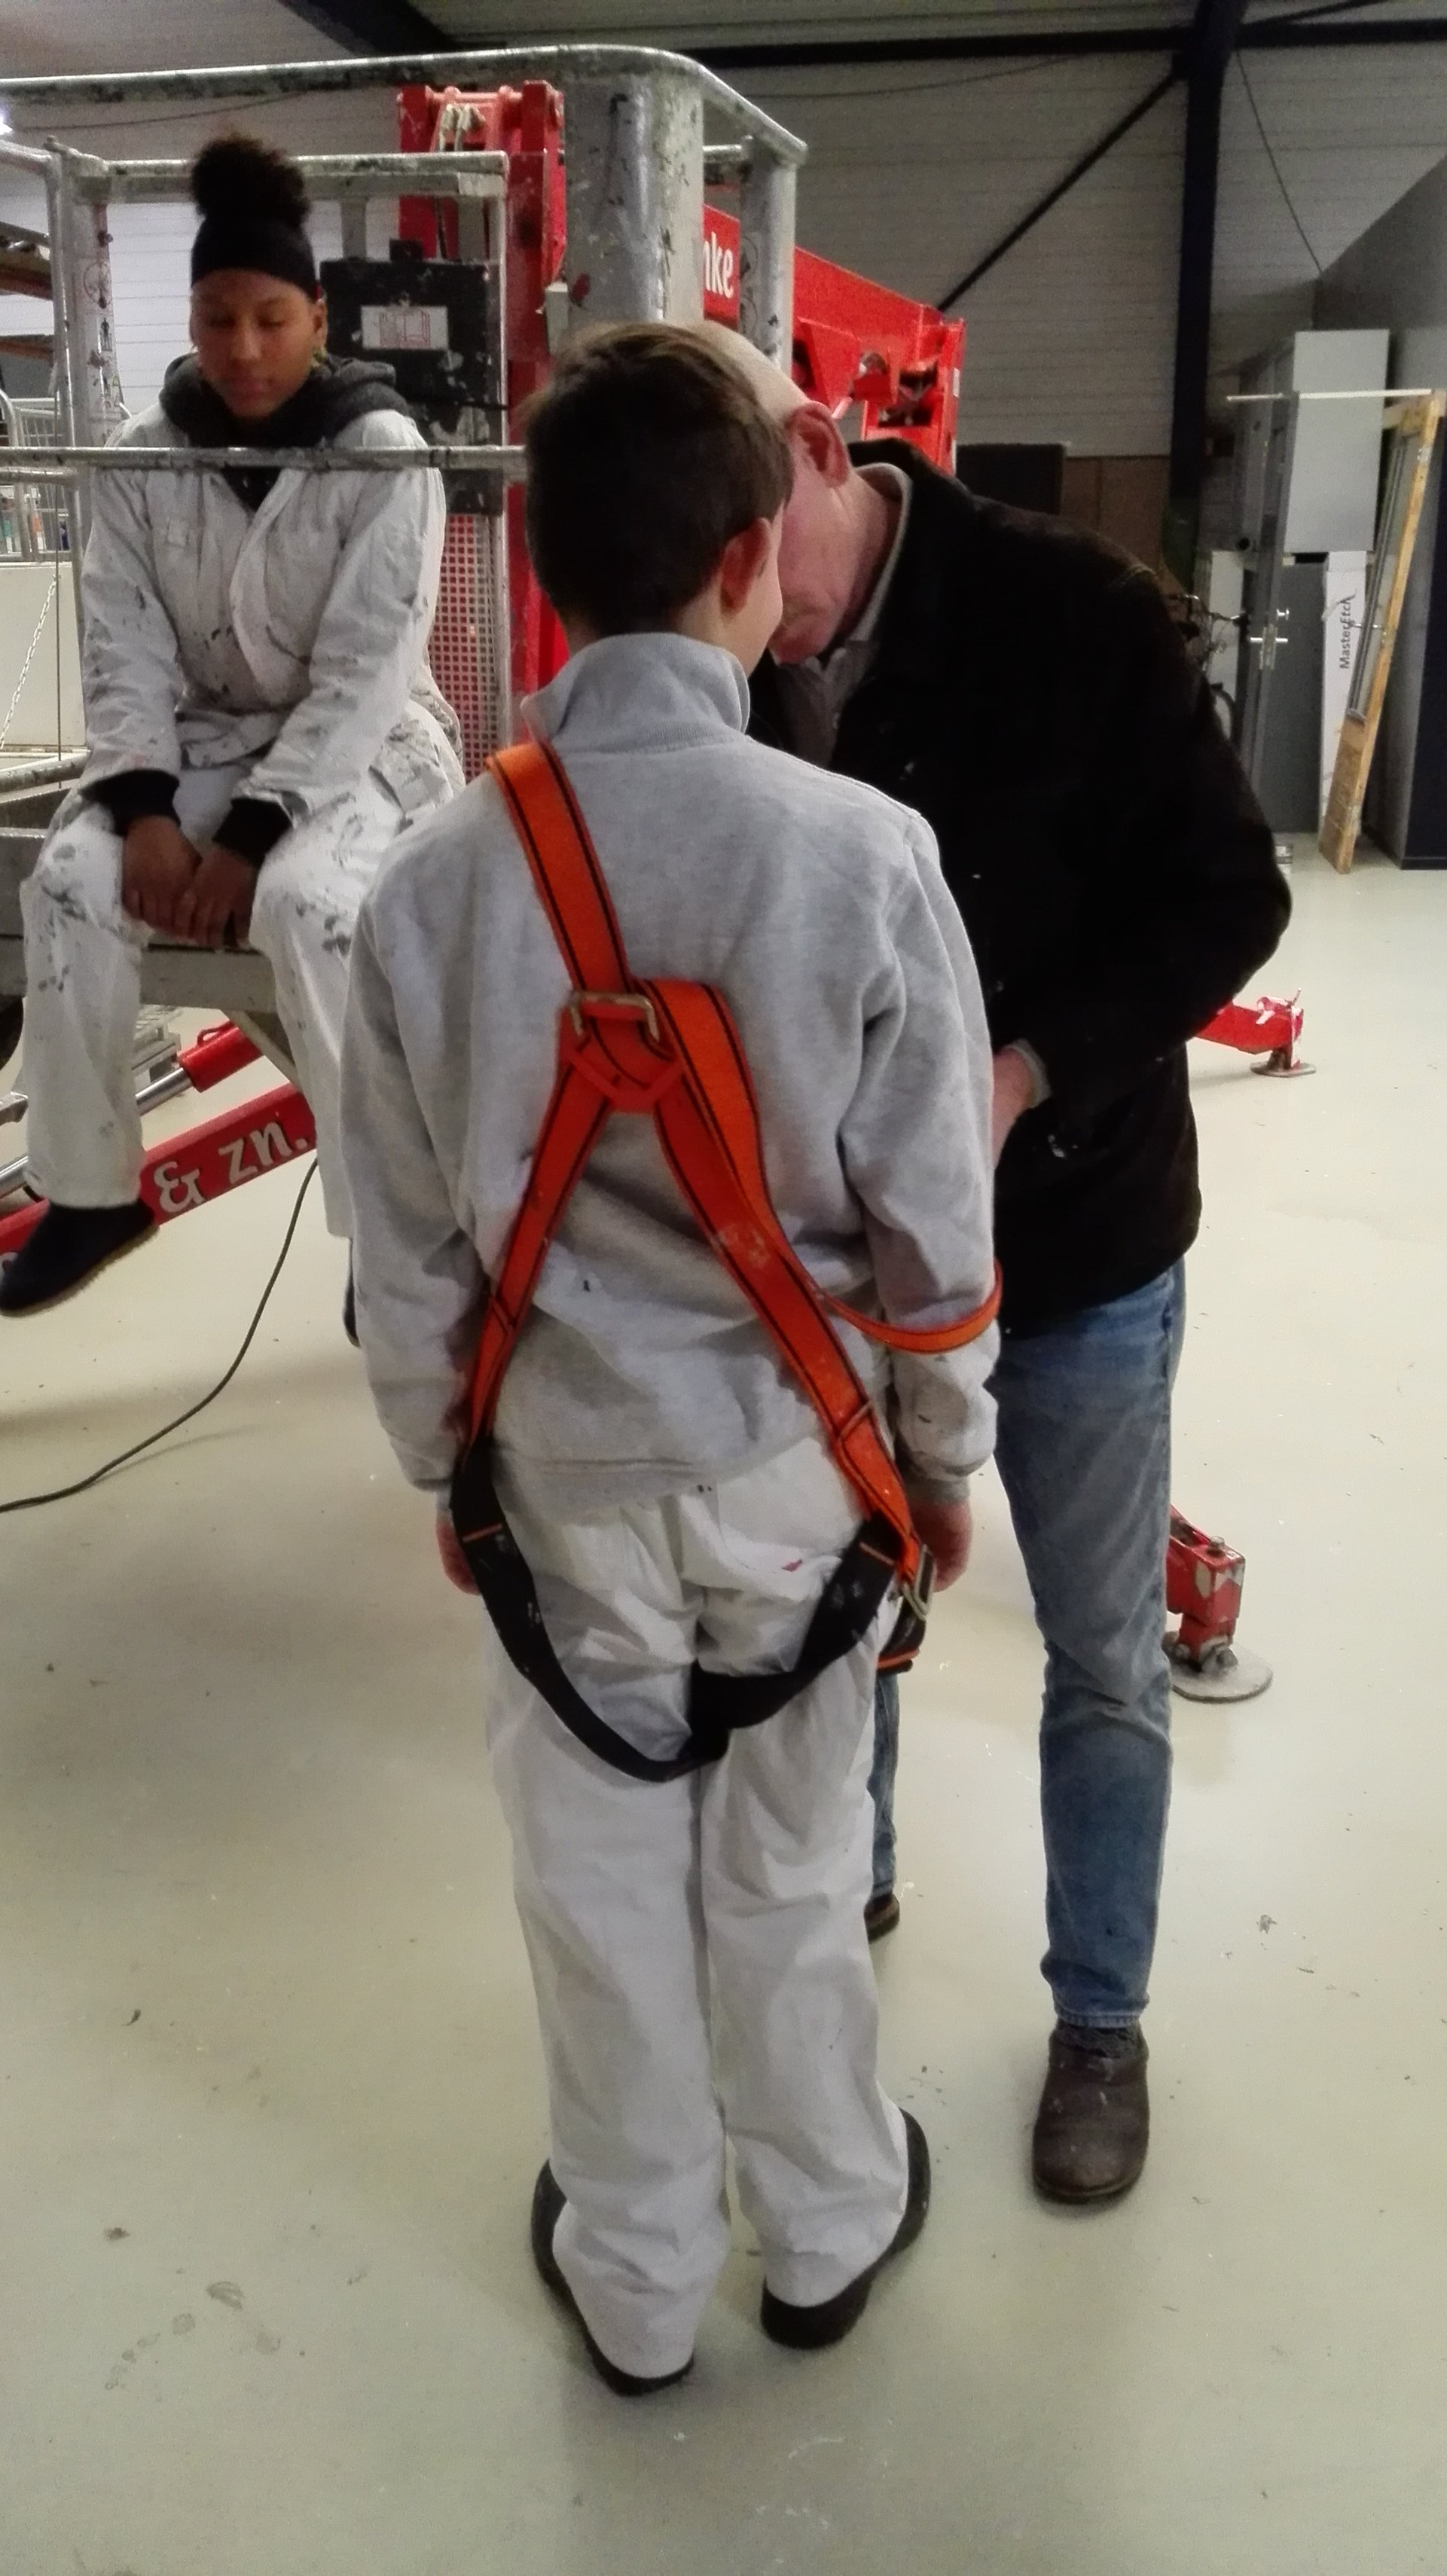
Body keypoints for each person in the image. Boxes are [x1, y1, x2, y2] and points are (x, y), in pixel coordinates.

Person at [339, 325, 999, 2391]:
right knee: (790, 1862)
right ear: (743, 559)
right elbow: (934, 1236)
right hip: (800, 1467)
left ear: (543, 582)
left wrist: (445, 1466)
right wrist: (939, 1463)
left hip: (561, 1475)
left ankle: (632, 2275)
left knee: (595, 1875)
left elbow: (401, 1244)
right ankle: (824, 2226)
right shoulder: (860, 852)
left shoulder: (429, 884)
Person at [704, 324, 1290, 2206]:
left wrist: (1025, 1069)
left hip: (1076, 1242)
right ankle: (851, 1899)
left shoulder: (1073, 615)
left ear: (823, 450)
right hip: (845, 1269)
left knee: (1103, 1658)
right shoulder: (723, 653)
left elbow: (1234, 893)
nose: (742, 604)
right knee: (850, 1617)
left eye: (754, 551)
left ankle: (1099, 2020)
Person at [1, 134, 461, 1318]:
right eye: (217, 320)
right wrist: (145, 814)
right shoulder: (142, 458)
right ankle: (91, 1194)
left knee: (310, 906)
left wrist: (250, 840)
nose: (244, 349)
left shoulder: (381, 454)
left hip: (361, 750)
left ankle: (386, 1233)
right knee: (67, 886)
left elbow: (363, 673)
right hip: (200, 745)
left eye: (270, 319)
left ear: (318, 319)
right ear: (192, 322)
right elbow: (122, 646)